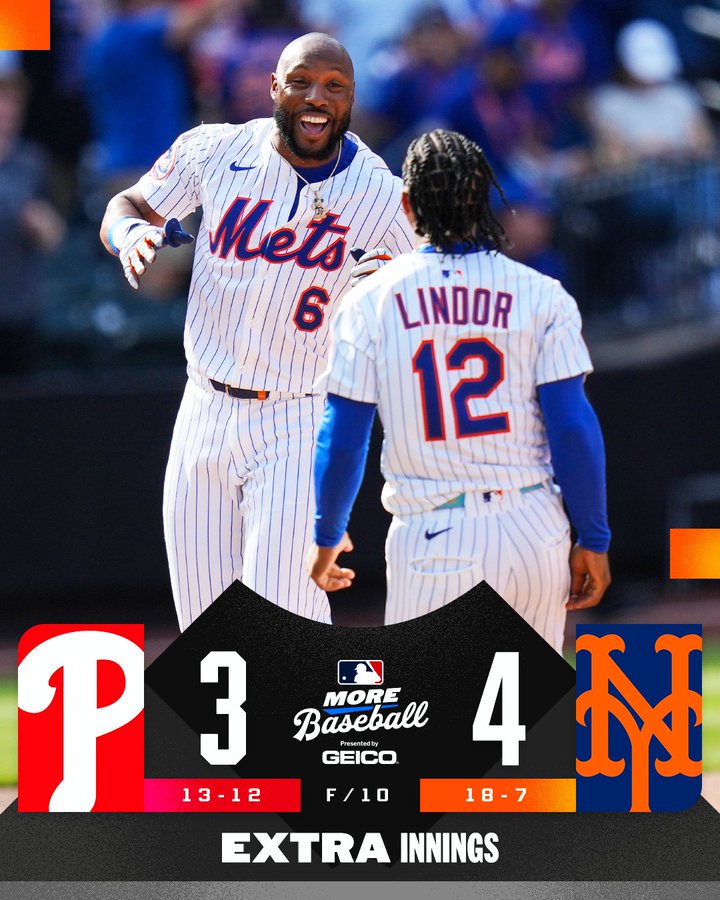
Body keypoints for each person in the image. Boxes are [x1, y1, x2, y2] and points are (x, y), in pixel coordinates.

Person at [99, 32, 415, 631]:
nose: (315, 97)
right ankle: (228, 730)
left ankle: (304, 720)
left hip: (298, 414)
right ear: (274, 87)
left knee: (283, 605)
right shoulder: (216, 149)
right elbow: (128, 204)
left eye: (333, 86)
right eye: (300, 81)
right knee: (203, 622)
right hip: (204, 405)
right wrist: (128, 236)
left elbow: (433, 278)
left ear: (351, 98)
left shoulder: (377, 191)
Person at [307, 129, 611, 652]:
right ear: (482, 198)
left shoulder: (371, 299)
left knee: (433, 729)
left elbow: (344, 434)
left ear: (406, 204)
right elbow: (572, 427)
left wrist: (327, 534)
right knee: (528, 725)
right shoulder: (542, 294)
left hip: (436, 532)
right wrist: (594, 536)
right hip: (534, 528)